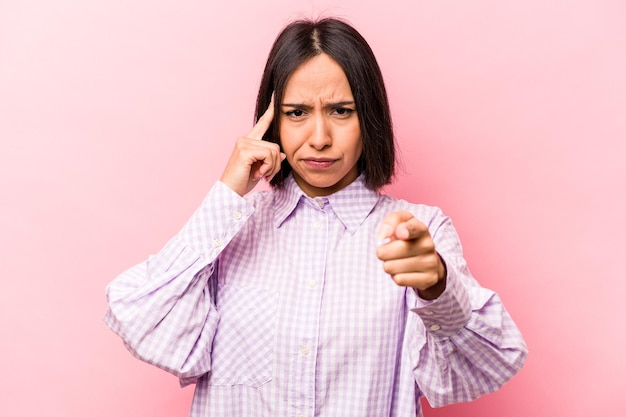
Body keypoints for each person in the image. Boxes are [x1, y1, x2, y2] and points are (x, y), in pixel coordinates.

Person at [105, 17, 527, 417]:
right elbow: (139, 318)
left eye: (342, 111)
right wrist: (226, 195)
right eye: (297, 112)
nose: (320, 138)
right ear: (271, 122)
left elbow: (487, 359)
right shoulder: (229, 229)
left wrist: (436, 284)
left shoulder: (421, 231)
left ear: (370, 119)